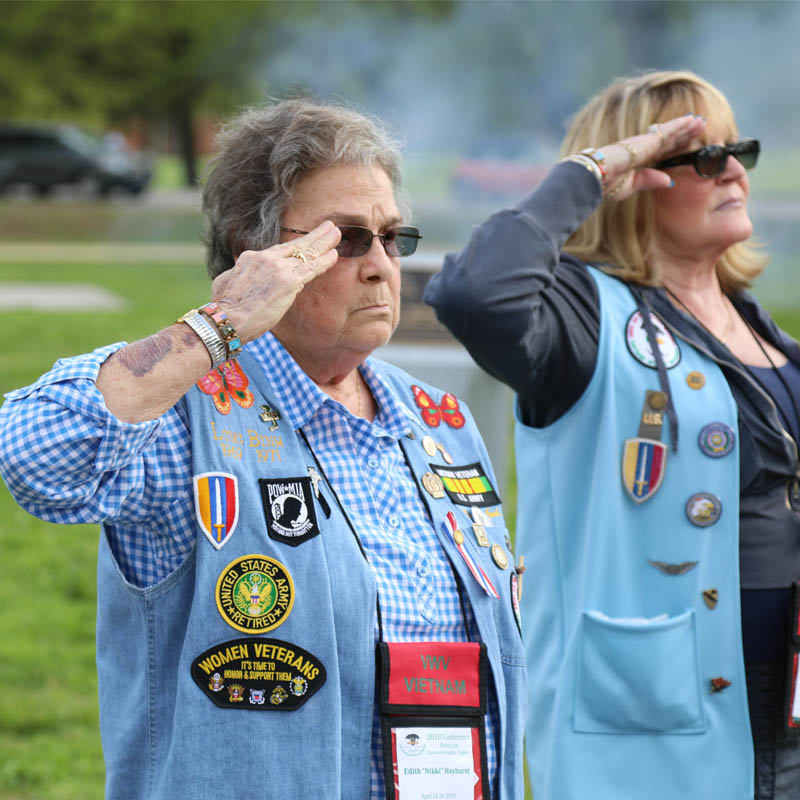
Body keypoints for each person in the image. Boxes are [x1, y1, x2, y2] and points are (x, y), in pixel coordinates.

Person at [0, 99, 525, 799]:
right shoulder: (183, 412)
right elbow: (36, 457)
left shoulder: (439, 421)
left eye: (394, 238)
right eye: (347, 240)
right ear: (257, 251)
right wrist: (223, 326)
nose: (381, 266)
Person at [425, 70, 800, 800]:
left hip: (786, 705)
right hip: (658, 711)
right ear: (633, 181)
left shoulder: (761, 328)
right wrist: (588, 178)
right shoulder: (583, 314)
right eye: (699, 157)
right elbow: (476, 295)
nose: (731, 171)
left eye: (736, 150)